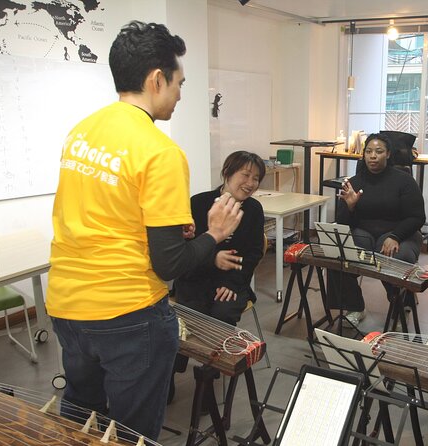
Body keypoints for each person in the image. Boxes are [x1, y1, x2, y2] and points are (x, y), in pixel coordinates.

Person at [45, 21, 243, 441]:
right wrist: (215, 234)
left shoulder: (81, 131)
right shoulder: (160, 151)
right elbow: (169, 263)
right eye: (179, 83)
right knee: (133, 432)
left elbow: (103, 213)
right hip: (126, 313)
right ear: (157, 79)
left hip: (66, 303)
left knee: (80, 419)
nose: (180, 94)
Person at [168, 151, 266, 403]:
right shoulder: (199, 203)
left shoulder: (254, 210)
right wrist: (212, 259)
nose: (250, 182)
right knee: (185, 317)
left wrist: (232, 282)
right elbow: (184, 251)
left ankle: (207, 384)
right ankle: (168, 376)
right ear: (227, 173)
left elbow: (254, 253)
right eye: (245, 175)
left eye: (256, 178)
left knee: (221, 317)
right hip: (195, 277)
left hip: (231, 282)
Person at [327, 132, 426, 326]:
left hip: (401, 233)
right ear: (363, 155)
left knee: (397, 256)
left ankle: (401, 303)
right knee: (336, 253)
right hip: (364, 233)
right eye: (369, 151)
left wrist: (396, 236)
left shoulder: (404, 181)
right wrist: (350, 207)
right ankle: (354, 306)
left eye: (378, 151)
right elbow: (342, 223)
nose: (373, 156)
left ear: (388, 154)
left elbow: (417, 217)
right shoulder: (354, 182)